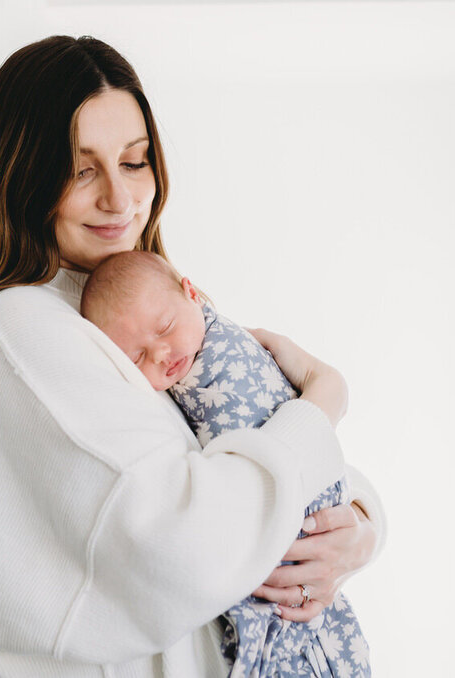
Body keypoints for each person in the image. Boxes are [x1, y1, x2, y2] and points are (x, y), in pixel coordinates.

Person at [0, 34, 385, 678]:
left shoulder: (145, 309)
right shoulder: (23, 326)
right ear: (23, 176)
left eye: (134, 162)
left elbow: (254, 436)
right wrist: (324, 399)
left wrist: (358, 528)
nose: (119, 197)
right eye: (80, 170)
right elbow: (190, 546)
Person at [80, 250, 370, 677]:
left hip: (308, 536)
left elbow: (297, 439)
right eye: (137, 359)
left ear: (191, 292)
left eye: (164, 328)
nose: (161, 354)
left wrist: (364, 520)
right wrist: (327, 391)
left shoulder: (228, 349)